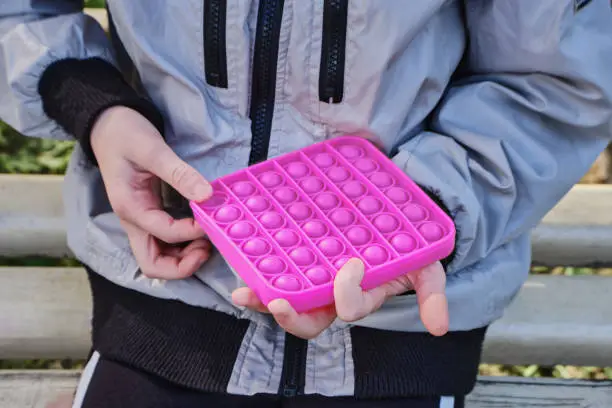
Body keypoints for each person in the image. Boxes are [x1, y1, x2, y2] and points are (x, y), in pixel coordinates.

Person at [1, 1, 611, 407]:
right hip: (159, 317)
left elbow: (555, 77)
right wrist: (94, 104)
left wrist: (423, 210)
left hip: (398, 336)